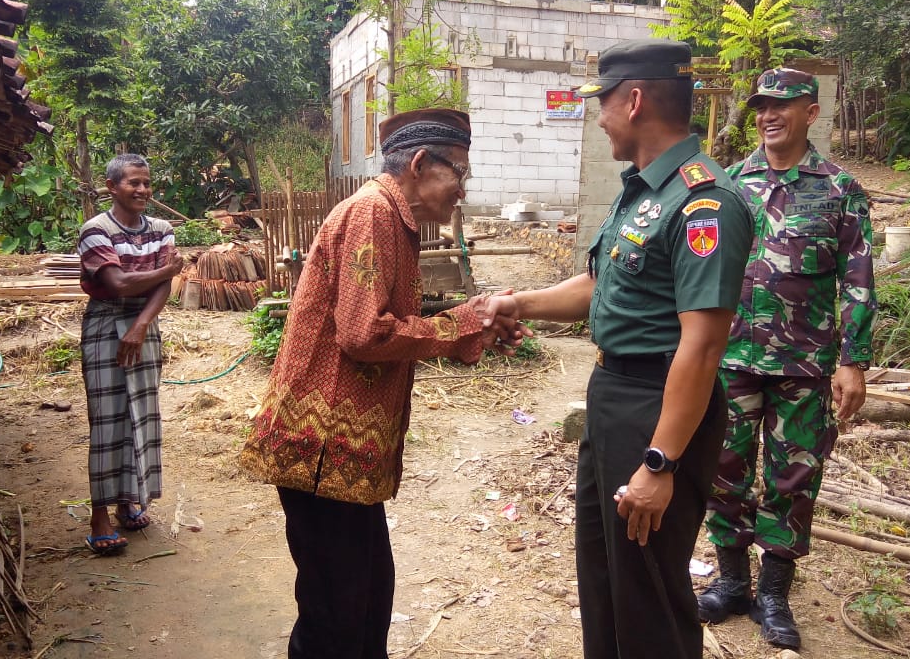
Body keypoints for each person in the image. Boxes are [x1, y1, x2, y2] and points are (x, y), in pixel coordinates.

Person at [480, 39, 753, 659]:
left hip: (658, 407)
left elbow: (703, 346)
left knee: (649, 589)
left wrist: (660, 464)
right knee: (606, 576)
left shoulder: (705, 202)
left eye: (601, 102)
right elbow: (601, 285)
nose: (597, 115)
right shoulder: (643, 191)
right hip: (614, 399)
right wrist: (518, 303)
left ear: (633, 101)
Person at [238, 109, 522, 659]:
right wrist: (464, 322)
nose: (462, 189)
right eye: (458, 173)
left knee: (368, 596)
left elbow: (389, 330)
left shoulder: (395, 220)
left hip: (347, 452)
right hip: (322, 446)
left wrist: (470, 327)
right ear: (419, 165)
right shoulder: (371, 213)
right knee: (335, 613)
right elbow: (365, 334)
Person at [696, 68, 876, 649]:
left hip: (805, 363)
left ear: (811, 113)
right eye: (761, 106)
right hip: (730, 358)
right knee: (723, 469)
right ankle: (730, 582)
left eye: (783, 105)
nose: (769, 115)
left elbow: (858, 278)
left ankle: (773, 591)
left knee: (793, 480)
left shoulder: (840, 189)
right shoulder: (729, 184)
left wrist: (854, 360)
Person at [77, 153, 182, 555]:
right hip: (105, 324)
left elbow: (161, 289)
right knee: (107, 418)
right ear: (112, 188)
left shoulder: (161, 228)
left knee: (142, 412)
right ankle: (99, 515)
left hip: (145, 325)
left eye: (146, 183)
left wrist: (140, 326)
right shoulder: (96, 230)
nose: (142, 190)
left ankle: (128, 501)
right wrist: (165, 271)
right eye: (133, 183)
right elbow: (118, 283)